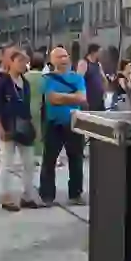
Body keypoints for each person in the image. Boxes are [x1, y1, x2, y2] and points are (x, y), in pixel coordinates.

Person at [0, 47, 43, 212]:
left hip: (24, 125)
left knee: (29, 163)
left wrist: (35, 128)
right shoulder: (1, 83)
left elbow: (27, 107)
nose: (23, 65)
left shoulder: (25, 83)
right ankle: (5, 197)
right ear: (11, 62)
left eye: (25, 62)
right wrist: (0, 128)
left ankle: (27, 195)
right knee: (7, 163)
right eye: (19, 61)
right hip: (7, 126)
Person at [39, 46, 87, 206]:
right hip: (54, 124)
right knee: (49, 160)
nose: (64, 59)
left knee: (76, 160)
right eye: (59, 57)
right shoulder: (47, 78)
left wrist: (63, 97)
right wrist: (72, 97)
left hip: (74, 123)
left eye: (65, 56)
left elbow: (82, 99)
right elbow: (51, 99)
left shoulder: (77, 78)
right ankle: (46, 195)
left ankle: (76, 194)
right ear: (52, 61)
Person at [77, 43, 107, 112]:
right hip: (89, 98)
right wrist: (81, 97)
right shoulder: (84, 63)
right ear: (94, 52)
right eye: (100, 52)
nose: (101, 54)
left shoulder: (98, 64)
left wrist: (104, 90)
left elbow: (104, 79)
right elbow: (78, 80)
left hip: (99, 99)